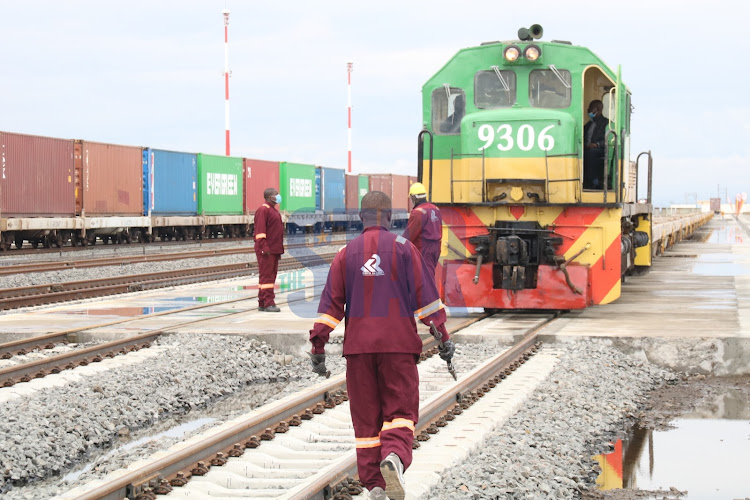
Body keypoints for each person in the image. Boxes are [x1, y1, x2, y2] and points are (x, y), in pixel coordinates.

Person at [308, 191, 455, 500]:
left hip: (358, 351)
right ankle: (394, 457)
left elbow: (330, 306)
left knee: (366, 420)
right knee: (400, 411)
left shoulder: (345, 253)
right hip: (398, 347)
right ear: (390, 217)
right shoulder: (405, 250)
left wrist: (318, 346)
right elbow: (427, 300)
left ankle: (374, 485)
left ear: (362, 218)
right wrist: (442, 336)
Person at [403, 182, 442, 279]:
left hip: (423, 249)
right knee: (429, 274)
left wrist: (395, 242)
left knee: (423, 278)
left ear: (414, 197)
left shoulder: (418, 212)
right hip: (436, 248)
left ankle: (428, 294)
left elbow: (408, 236)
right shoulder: (436, 209)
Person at [254, 188, 284, 312]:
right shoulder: (263, 210)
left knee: (268, 277)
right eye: (276, 194)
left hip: (274, 250)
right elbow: (260, 232)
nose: (278, 196)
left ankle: (262, 301)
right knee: (267, 278)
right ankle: (269, 303)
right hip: (267, 250)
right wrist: (264, 247)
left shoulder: (273, 211)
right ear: (270, 197)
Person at [582, 99, 609, 189]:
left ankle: (594, 182)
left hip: (600, 149)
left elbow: (608, 140)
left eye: (590, 108)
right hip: (587, 148)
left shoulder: (606, 123)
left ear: (596, 109)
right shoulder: (588, 125)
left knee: (591, 153)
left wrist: (596, 144)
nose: (588, 110)